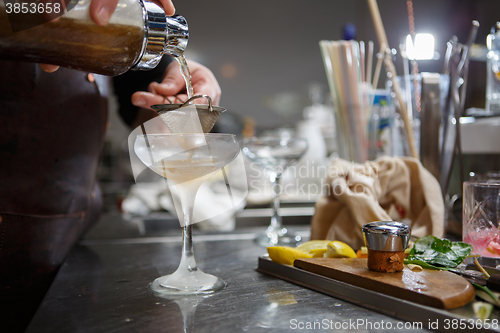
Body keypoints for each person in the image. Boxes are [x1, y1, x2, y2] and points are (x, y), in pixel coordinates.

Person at [0, 0, 221, 331]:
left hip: (71, 243)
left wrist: (173, 84)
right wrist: (27, 10)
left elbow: (144, 98)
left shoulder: (105, 22)